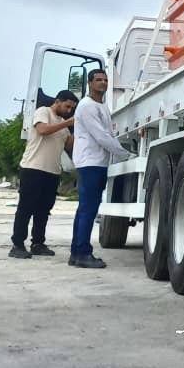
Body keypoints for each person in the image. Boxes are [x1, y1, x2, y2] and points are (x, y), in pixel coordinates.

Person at [70, 69, 130, 269]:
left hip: (97, 162)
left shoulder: (101, 106)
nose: (103, 83)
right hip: (90, 162)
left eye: (105, 80)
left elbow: (107, 134)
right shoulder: (87, 106)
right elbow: (102, 136)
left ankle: (76, 253)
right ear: (90, 83)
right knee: (88, 209)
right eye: (98, 80)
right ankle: (82, 253)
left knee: (85, 209)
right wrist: (124, 154)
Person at [8, 90, 78, 259]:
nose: (69, 110)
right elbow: (42, 130)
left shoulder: (64, 125)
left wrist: (79, 130)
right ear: (58, 101)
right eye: (67, 106)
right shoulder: (43, 112)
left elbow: (69, 145)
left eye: (72, 109)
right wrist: (68, 123)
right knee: (26, 208)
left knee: (44, 210)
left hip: (52, 172)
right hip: (33, 168)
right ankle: (17, 244)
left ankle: (38, 243)